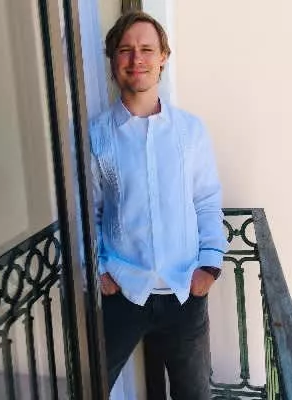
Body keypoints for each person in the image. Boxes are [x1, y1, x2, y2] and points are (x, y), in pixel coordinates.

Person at [89, 11, 227, 399]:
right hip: (121, 293)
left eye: (147, 49)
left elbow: (206, 199)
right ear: (113, 59)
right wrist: (97, 269)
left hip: (183, 292)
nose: (137, 59)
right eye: (126, 50)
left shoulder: (190, 131)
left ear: (163, 56)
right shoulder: (96, 136)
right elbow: (86, 212)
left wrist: (209, 265)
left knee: (193, 394)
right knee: (91, 387)